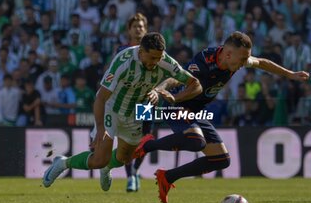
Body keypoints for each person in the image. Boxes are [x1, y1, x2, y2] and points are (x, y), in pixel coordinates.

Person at [133, 31, 310, 203]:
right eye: (241, 59)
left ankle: (168, 177)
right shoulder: (204, 61)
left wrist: (289, 74)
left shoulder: (236, 58)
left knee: (221, 159)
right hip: (175, 104)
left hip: (195, 110)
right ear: (228, 54)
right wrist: (162, 91)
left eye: (245, 59)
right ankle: (147, 145)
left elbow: (261, 62)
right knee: (196, 141)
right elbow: (176, 80)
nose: (243, 64)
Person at [42, 32, 202, 190]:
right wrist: (100, 128)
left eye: (159, 57)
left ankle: (107, 168)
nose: (156, 61)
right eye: (152, 57)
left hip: (137, 112)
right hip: (111, 109)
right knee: (99, 160)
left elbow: (196, 85)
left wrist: (175, 97)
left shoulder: (165, 62)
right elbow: (101, 97)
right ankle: (63, 163)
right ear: (141, 51)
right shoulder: (123, 61)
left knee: (125, 158)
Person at [114, 13, 149, 192]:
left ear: (146, 29)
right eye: (135, 26)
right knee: (126, 141)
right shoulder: (122, 51)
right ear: (129, 30)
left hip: (146, 102)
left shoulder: (152, 51)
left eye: (141, 26)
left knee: (146, 139)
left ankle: (135, 170)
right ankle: (130, 177)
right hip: (126, 101)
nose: (138, 29)